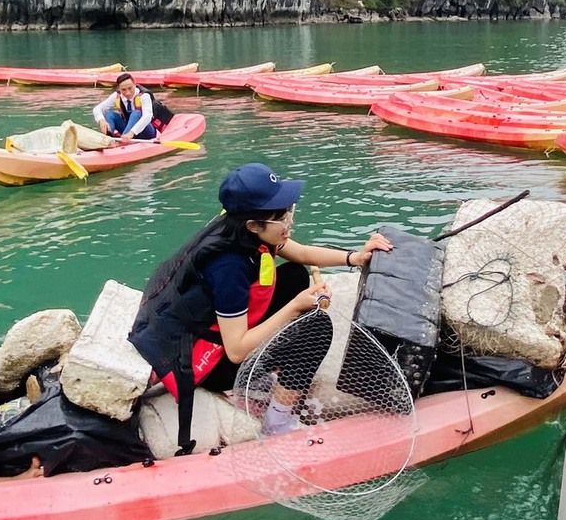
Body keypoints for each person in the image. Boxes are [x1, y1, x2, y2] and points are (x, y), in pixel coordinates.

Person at [127, 163, 393, 454]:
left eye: (289, 209)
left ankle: (271, 376)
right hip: (208, 363)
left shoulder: (240, 229)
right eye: (281, 217)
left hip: (209, 334)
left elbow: (301, 253)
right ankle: (277, 423)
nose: (289, 220)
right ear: (253, 225)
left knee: (294, 274)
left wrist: (356, 257)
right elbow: (237, 350)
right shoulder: (229, 266)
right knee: (316, 328)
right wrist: (294, 307)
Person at [93, 74, 160, 141]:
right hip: (127, 130)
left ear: (134, 84)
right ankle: (108, 138)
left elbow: (147, 117)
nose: (128, 93)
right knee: (110, 114)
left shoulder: (144, 96)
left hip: (146, 131)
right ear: (119, 88)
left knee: (136, 113)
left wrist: (132, 132)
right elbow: (97, 109)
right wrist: (101, 120)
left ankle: (122, 141)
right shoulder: (117, 95)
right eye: (123, 90)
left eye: (130, 88)